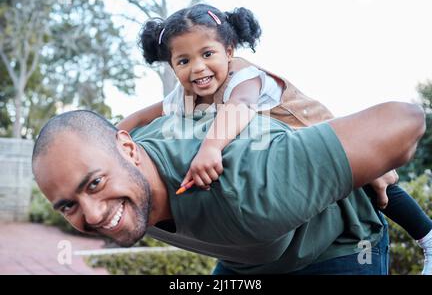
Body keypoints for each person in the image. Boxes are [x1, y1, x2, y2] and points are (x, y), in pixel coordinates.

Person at [117, 3, 432, 274]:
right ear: (172, 66)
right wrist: (109, 137)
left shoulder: (243, 76)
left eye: (207, 53)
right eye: (183, 61)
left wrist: (211, 147)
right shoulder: (185, 94)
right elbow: (143, 117)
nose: (197, 67)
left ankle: (427, 237)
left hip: (317, 136)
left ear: (229, 51)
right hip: (281, 174)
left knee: (379, 182)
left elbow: (239, 107)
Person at [32, 102, 425, 274]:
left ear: (128, 150)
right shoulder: (118, 158)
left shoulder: (249, 187)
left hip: (333, 248)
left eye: (96, 184)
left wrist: (361, 161)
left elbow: (404, 119)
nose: (94, 213)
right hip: (249, 259)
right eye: (68, 206)